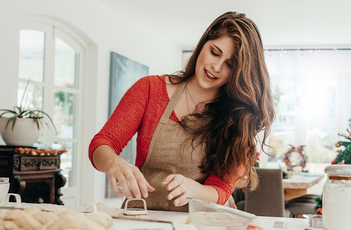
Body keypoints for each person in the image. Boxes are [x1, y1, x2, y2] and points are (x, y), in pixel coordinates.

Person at [89, 11, 274, 211]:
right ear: (203, 44)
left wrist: (194, 189)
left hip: (205, 222)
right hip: (145, 216)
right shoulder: (149, 89)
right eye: (215, 52)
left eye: (230, 64)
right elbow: (102, 143)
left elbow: (221, 189)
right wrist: (114, 163)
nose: (216, 67)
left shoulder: (238, 117)